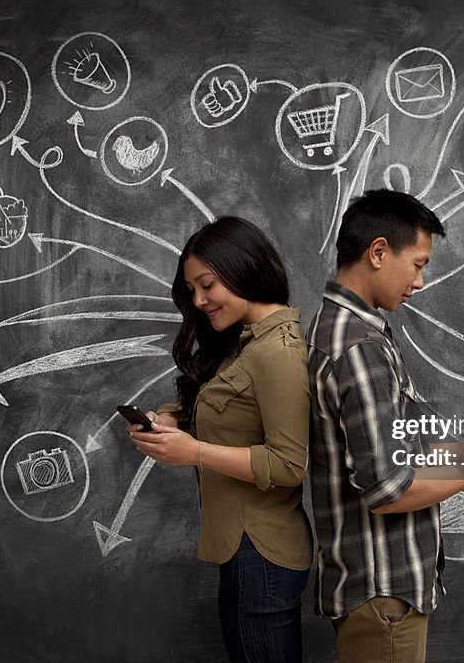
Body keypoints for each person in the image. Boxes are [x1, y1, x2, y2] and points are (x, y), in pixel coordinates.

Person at [307, 189, 464, 662]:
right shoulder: (358, 347)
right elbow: (387, 490)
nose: (421, 281)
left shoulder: (353, 331)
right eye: (418, 264)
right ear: (379, 252)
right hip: (383, 590)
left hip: (380, 590)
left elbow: (396, 453)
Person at [129, 216, 312, 663]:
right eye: (192, 289)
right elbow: (226, 409)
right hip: (244, 548)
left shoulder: (278, 352)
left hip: (263, 552)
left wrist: (193, 451)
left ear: (242, 268)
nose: (199, 300)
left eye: (207, 285)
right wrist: (173, 421)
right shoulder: (243, 343)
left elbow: (289, 465)